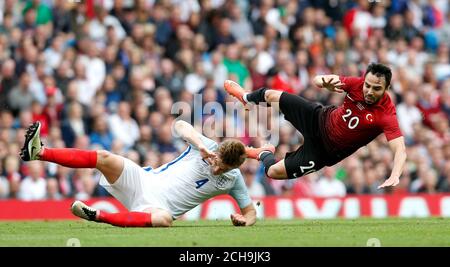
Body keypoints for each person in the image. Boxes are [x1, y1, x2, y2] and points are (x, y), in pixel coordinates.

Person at [20, 121, 256, 227]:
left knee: (165, 220)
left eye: (222, 168)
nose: (216, 168)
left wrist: (245, 220)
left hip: (154, 208)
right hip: (143, 180)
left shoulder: (233, 179)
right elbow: (181, 125)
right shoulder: (205, 147)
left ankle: (98, 216)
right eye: (217, 162)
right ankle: (39, 152)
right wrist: (199, 143)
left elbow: (250, 211)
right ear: (218, 151)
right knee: (104, 157)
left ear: (233, 168)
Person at [224, 62, 406, 189]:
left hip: (324, 152)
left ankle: (263, 153)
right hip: (318, 118)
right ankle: (246, 97)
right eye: (368, 85)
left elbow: (400, 149)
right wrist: (324, 83)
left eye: (376, 89)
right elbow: (318, 79)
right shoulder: (357, 84)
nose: (369, 91)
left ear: (387, 88)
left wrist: (395, 174)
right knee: (272, 95)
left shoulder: (386, 114)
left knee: (273, 171)